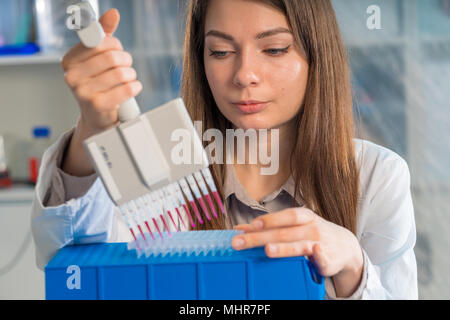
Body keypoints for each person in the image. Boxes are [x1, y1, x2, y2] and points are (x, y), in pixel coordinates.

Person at [31, 0, 418, 299]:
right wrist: (94, 127)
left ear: (318, 56)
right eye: (220, 52)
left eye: (275, 49)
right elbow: (70, 269)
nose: (244, 75)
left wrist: (353, 265)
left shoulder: (375, 175)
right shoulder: (163, 161)